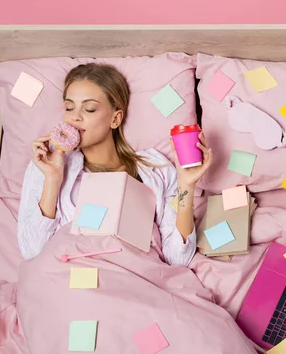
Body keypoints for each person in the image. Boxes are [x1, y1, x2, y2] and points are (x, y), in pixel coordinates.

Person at [17, 63, 212, 266]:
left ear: (115, 119)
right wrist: (52, 180)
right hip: (69, 280)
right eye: (69, 107)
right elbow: (32, 252)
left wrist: (186, 186)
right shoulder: (47, 165)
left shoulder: (156, 169)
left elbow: (177, 258)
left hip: (131, 278)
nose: (75, 117)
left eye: (89, 108)